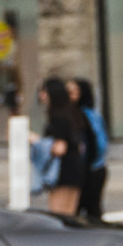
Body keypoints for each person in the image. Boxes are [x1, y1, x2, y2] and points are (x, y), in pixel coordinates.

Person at [40, 79, 89, 216]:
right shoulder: (72, 114)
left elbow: (59, 148)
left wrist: (37, 142)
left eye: (44, 92)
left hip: (63, 171)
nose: (41, 96)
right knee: (70, 214)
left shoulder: (57, 117)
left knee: (58, 216)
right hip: (76, 168)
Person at [69, 77, 110, 222]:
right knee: (92, 211)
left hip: (89, 170)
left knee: (84, 212)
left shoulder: (83, 115)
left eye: (73, 92)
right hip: (95, 168)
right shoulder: (91, 114)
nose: (69, 96)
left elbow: (97, 144)